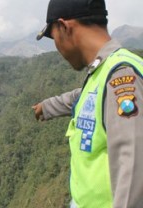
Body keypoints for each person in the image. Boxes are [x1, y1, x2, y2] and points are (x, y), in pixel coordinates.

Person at [35, 0, 143, 207]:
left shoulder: (123, 77)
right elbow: (86, 98)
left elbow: (134, 172)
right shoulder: (104, 73)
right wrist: (48, 106)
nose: (57, 47)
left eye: (53, 37)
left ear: (64, 27)